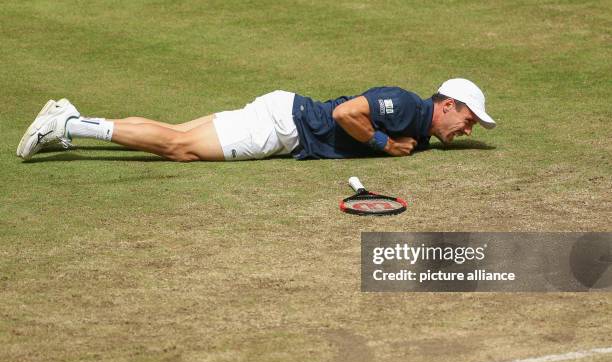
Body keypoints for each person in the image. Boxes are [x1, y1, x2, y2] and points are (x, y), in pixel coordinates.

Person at [16, 78, 496, 162]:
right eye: (470, 119)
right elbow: (347, 113)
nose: (469, 129)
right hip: (285, 127)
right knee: (178, 147)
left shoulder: (421, 130)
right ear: (448, 103)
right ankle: (68, 126)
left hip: (282, 113)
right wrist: (382, 146)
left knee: (178, 135)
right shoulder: (409, 106)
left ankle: (72, 119)